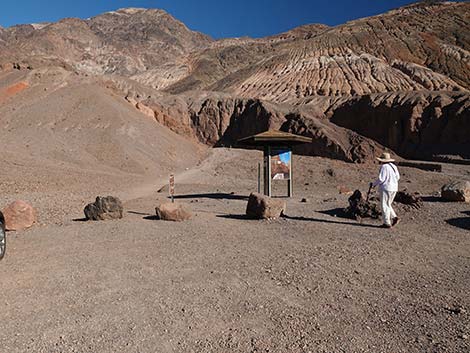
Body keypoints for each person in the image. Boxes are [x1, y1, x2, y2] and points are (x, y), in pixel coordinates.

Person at [370, 152, 400, 229]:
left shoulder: (384, 167)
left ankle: (387, 223)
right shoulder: (394, 167)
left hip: (386, 188)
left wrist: (374, 184)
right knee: (388, 204)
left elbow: (381, 178)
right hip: (394, 188)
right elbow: (398, 177)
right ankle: (394, 217)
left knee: (384, 205)